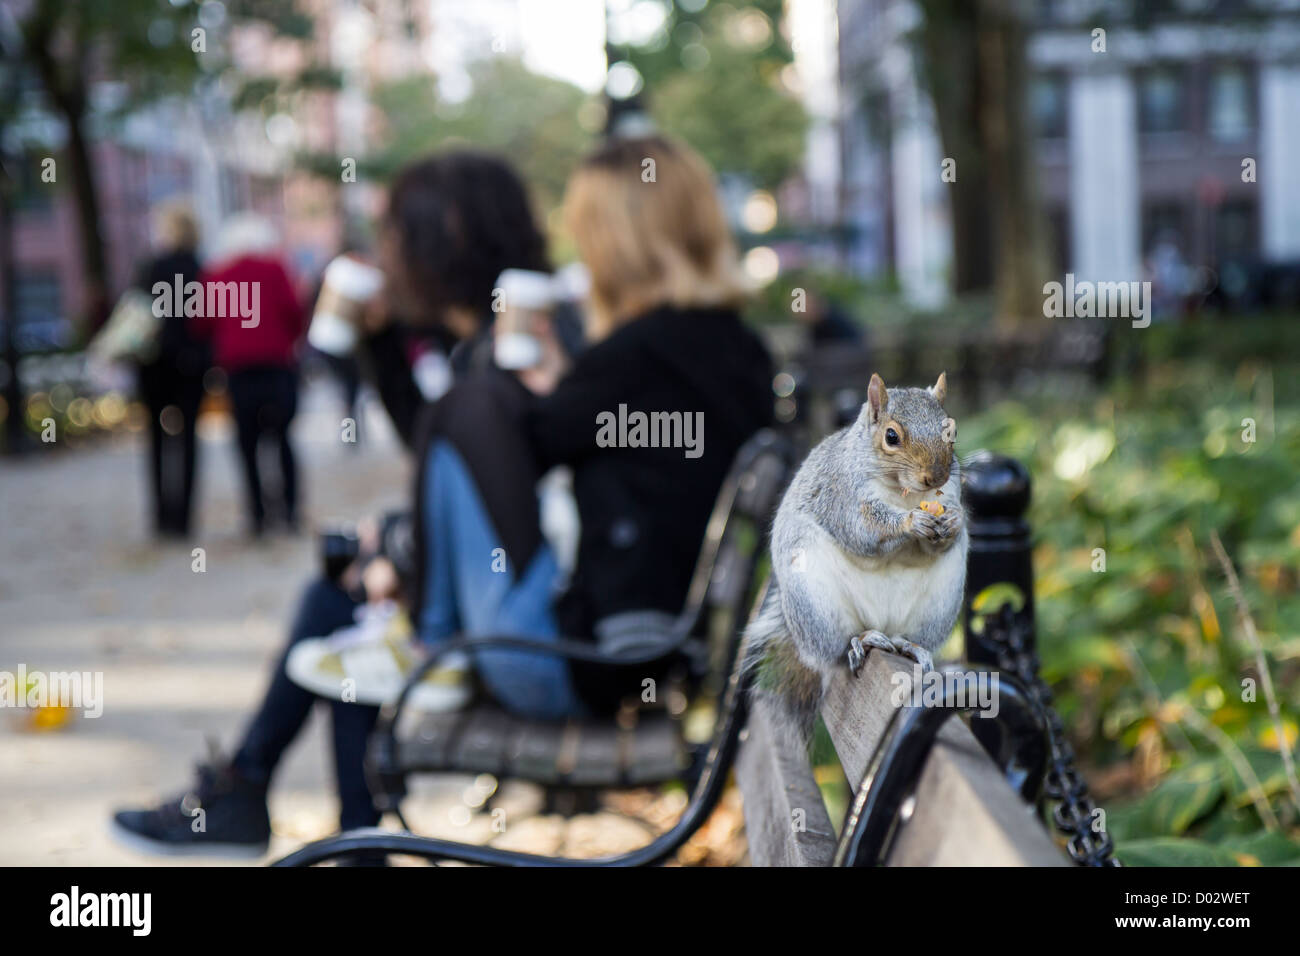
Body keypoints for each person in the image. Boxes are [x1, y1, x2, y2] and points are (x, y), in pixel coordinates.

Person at [110, 152, 551, 857]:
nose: (385, 255)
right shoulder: (482, 339)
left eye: (396, 236)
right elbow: (444, 454)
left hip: (523, 633)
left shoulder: (522, 341)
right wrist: (378, 339)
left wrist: (403, 551)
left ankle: (295, 810)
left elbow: (505, 499)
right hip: (510, 604)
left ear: (448, 234)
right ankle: (307, 814)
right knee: (342, 596)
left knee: (344, 601)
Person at [288, 133, 774, 719]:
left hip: (583, 662)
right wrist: (561, 383)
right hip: (644, 652)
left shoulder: (639, 353)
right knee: (474, 406)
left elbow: (514, 451)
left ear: (618, 239)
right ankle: (425, 638)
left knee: (471, 406)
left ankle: (428, 640)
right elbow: (591, 442)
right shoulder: (729, 347)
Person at [194, 215, 306, 537]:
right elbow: (294, 312)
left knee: (247, 444)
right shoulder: (275, 269)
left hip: (239, 370)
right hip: (276, 365)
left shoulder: (217, 276)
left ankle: (257, 514)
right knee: (282, 438)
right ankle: (289, 511)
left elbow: (203, 323)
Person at [134, 201, 209, 538]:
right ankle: (184, 519)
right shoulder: (201, 270)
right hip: (191, 367)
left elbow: (136, 317)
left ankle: (162, 516)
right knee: (189, 440)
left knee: (156, 441)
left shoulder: (151, 268)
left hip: (154, 365)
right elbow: (208, 322)